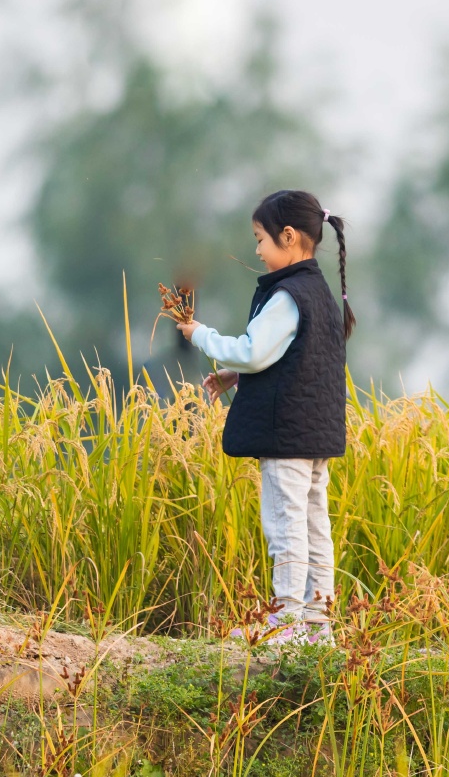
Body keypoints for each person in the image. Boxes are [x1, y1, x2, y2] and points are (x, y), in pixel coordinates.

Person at [177, 189, 354, 644]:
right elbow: (291, 356)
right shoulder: (319, 293)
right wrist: (236, 375)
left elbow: (256, 350)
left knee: (285, 525)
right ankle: (318, 625)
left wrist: (201, 335)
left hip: (286, 436)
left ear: (289, 237)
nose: (256, 250)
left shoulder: (287, 296)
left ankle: (287, 622)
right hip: (316, 435)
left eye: (259, 239)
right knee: (315, 526)